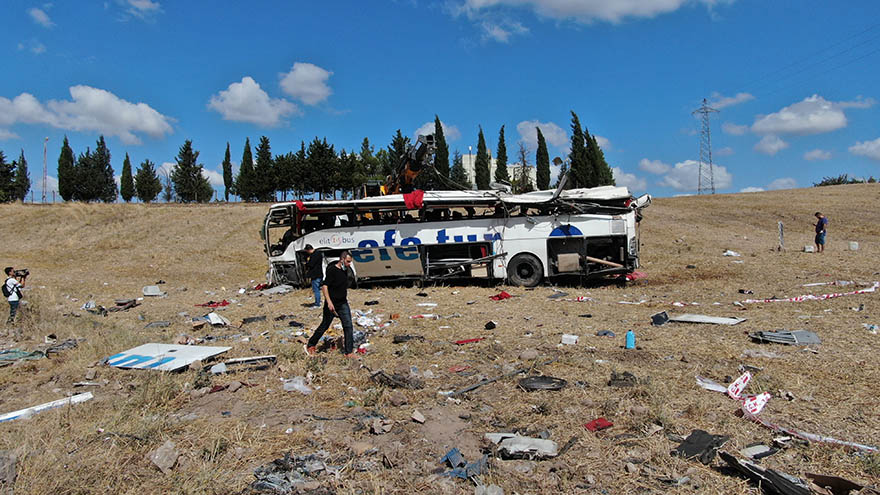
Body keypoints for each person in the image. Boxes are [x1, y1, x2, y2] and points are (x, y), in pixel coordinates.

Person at [304, 251, 356, 358]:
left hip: (343, 303)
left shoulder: (346, 271)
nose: (349, 264)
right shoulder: (332, 270)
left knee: (348, 326)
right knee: (325, 325)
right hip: (332, 303)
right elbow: (325, 286)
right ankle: (311, 344)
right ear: (342, 260)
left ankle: (349, 352)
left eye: (350, 262)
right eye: (347, 261)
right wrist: (329, 302)